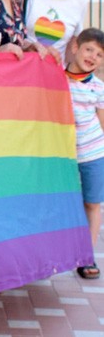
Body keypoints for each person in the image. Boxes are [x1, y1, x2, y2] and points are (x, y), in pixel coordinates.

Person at [65, 28, 104, 280]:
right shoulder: (56, 79)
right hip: (62, 154)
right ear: (76, 46)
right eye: (89, 49)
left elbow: (101, 123)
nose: (93, 57)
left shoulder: (98, 88)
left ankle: (87, 255)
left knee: (92, 202)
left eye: (100, 55)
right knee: (62, 201)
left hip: (92, 153)